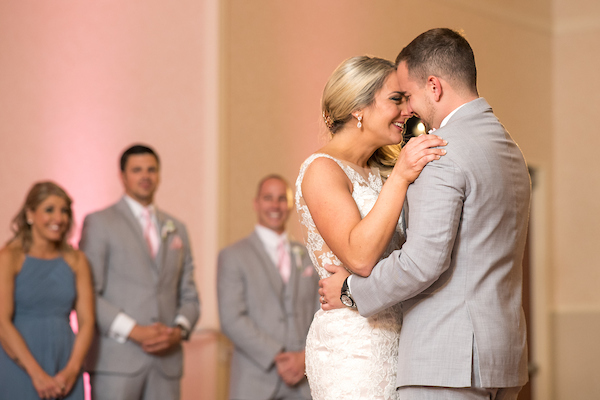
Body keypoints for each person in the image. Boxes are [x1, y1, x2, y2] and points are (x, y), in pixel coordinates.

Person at [320, 28, 531, 399]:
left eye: (410, 95)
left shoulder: (440, 152)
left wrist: (350, 291)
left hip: (447, 359)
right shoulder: (510, 151)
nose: (409, 109)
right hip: (504, 358)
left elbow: (421, 263)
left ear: (434, 87)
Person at [295, 55, 446, 400]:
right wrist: (402, 176)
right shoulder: (322, 169)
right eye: (396, 99)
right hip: (354, 348)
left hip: (402, 339)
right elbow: (360, 257)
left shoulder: (379, 171)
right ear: (357, 108)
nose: (407, 110)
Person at [79, 144, 200, 400]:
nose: (145, 176)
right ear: (122, 176)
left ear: (159, 175)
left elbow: (189, 294)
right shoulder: (100, 222)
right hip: (116, 362)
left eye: (151, 170)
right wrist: (133, 330)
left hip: (166, 364)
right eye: (137, 170)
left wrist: (177, 331)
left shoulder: (177, 227)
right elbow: (88, 293)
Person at [218, 175, 319, 400]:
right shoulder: (233, 256)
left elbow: (320, 313)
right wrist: (279, 355)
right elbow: (231, 319)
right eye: (268, 198)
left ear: (291, 204)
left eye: (282, 198)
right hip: (254, 380)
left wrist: (303, 358)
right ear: (256, 203)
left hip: (303, 381)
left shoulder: (309, 256)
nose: (275, 205)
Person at [0, 182, 95, 400]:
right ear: (30, 214)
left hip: (65, 359)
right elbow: (2, 322)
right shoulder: (8, 257)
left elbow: (87, 321)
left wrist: (71, 371)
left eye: (64, 211)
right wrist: (36, 374)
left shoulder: (76, 260)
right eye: (49, 210)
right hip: (19, 362)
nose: (59, 218)